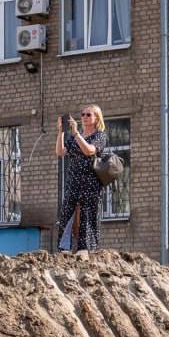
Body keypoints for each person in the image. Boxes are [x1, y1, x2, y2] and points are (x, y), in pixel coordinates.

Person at [57, 104, 109, 255]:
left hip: (90, 182)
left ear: (96, 118)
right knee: (67, 211)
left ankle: (84, 249)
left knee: (88, 214)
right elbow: (60, 152)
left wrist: (76, 135)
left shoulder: (99, 135)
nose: (84, 117)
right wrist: (61, 131)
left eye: (88, 115)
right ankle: (64, 247)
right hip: (73, 179)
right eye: (83, 114)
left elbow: (89, 150)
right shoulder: (76, 135)